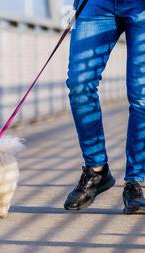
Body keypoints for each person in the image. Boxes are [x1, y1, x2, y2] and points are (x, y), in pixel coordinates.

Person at [64, 0, 145, 214]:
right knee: (79, 85)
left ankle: (135, 183)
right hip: (96, 4)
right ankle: (96, 169)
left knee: (142, 98)